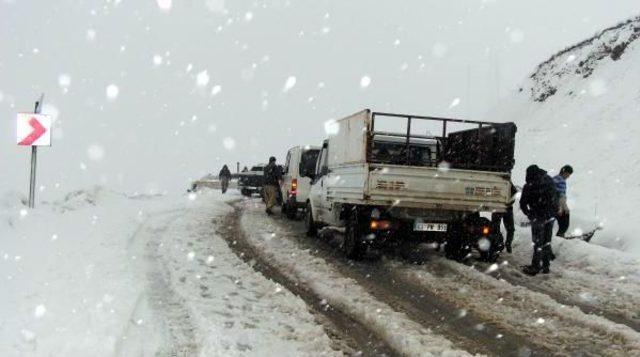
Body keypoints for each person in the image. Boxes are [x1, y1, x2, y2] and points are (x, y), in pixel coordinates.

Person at [520, 165, 559, 275]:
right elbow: (555, 198)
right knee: (546, 241)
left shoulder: (529, 185)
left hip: (538, 217)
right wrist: (552, 213)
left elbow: (523, 203)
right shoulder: (549, 180)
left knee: (537, 243)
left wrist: (530, 214)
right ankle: (546, 266)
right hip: (550, 216)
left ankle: (536, 266)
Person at [492, 180, 517, 253]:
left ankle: (499, 244)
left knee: (496, 228)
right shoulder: (508, 182)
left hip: (500, 208)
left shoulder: (497, 182)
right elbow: (514, 193)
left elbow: (514, 193)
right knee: (509, 229)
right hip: (505, 208)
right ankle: (503, 244)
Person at [553, 165, 573, 237]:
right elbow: (561, 196)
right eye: (568, 174)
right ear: (564, 172)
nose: (568, 176)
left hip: (550, 205)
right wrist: (564, 208)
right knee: (565, 220)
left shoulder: (554, 178)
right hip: (556, 205)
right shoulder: (561, 181)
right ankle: (560, 235)